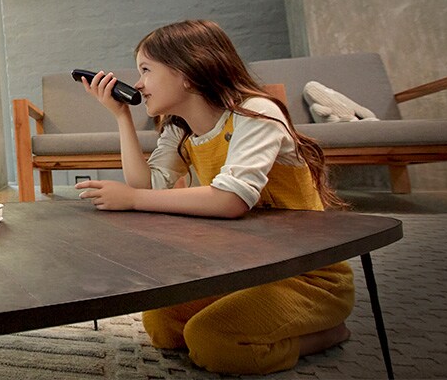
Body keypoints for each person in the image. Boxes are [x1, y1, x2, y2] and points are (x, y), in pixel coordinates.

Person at [75, 19, 352, 375]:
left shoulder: (256, 113)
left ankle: (326, 333)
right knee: (162, 325)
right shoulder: (180, 129)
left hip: (305, 276)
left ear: (187, 72)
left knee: (213, 342)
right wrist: (121, 117)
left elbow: (229, 199)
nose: (139, 83)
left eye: (146, 70)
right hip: (246, 271)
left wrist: (131, 199)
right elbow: (147, 185)